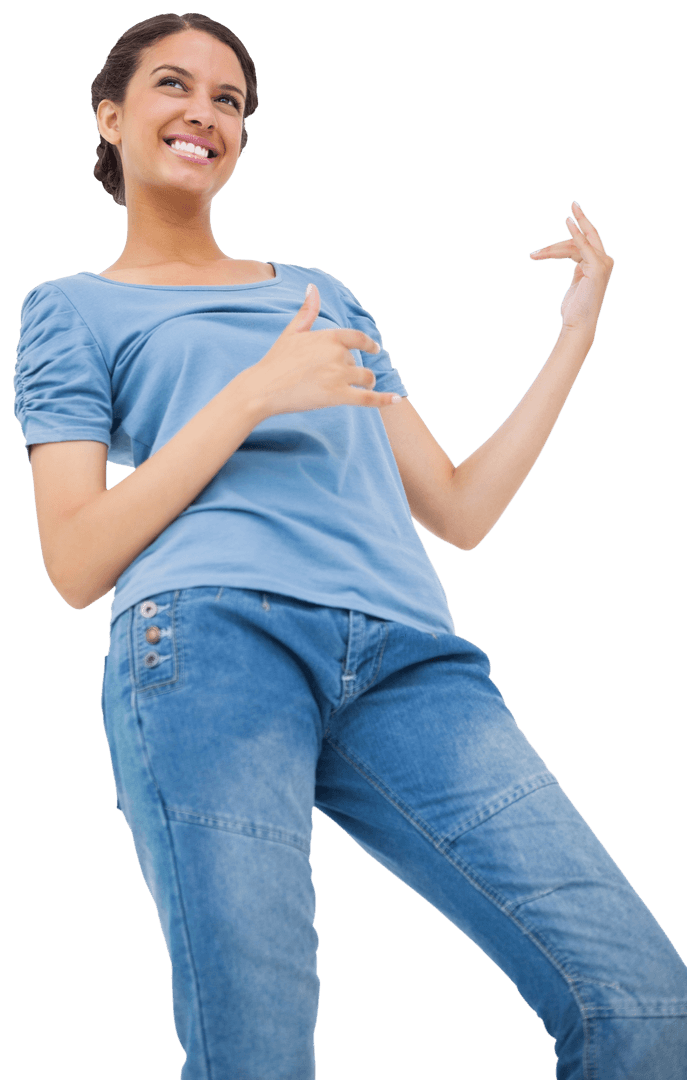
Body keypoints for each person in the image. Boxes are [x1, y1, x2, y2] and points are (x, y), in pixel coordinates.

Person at [13, 12, 686, 1080]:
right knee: (259, 1051)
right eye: (173, 86)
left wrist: (576, 333)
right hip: (212, 644)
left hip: (409, 657)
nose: (203, 113)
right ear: (111, 115)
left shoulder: (321, 296)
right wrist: (252, 394)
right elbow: (74, 560)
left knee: (643, 999)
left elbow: (457, 508)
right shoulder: (72, 309)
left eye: (229, 100)